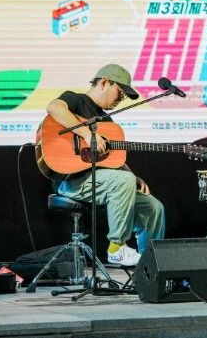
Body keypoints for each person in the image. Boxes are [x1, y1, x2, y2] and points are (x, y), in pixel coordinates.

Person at [45, 64, 165, 267]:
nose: (121, 99)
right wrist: (87, 134)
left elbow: (113, 160)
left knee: (153, 207)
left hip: (104, 181)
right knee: (123, 181)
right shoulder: (76, 100)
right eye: (120, 92)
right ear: (104, 82)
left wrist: (133, 177)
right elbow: (54, 107)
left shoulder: (106, 121)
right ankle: (116, 248)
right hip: (72, 181)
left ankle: (150, 264)